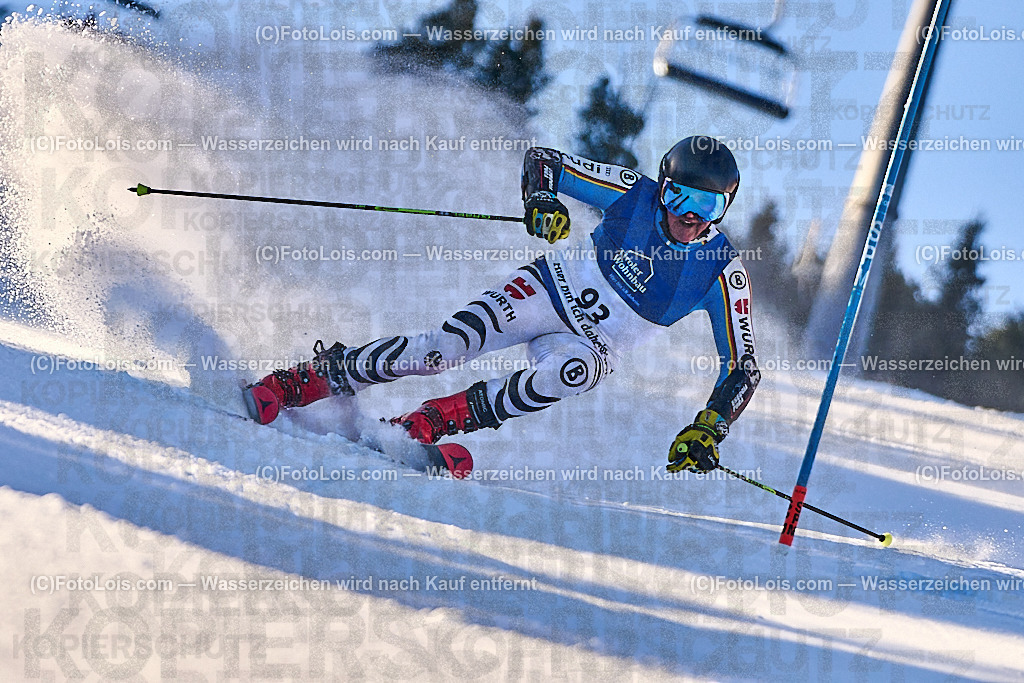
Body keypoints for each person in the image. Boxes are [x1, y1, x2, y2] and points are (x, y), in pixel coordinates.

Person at [244, 135, 760, 474]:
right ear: (663, 187)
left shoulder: (722, 271)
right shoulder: (634, 192)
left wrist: (710, 425)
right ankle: (308, 379)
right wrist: (541, 200)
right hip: (547, 290)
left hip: (590, 344)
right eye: (679, 199)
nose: (688, 217)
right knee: (442, 350)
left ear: (725, 208)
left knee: (573, 372)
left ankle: (426, 424)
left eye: (707, 206)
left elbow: (744, 367)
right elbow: (546, 162)